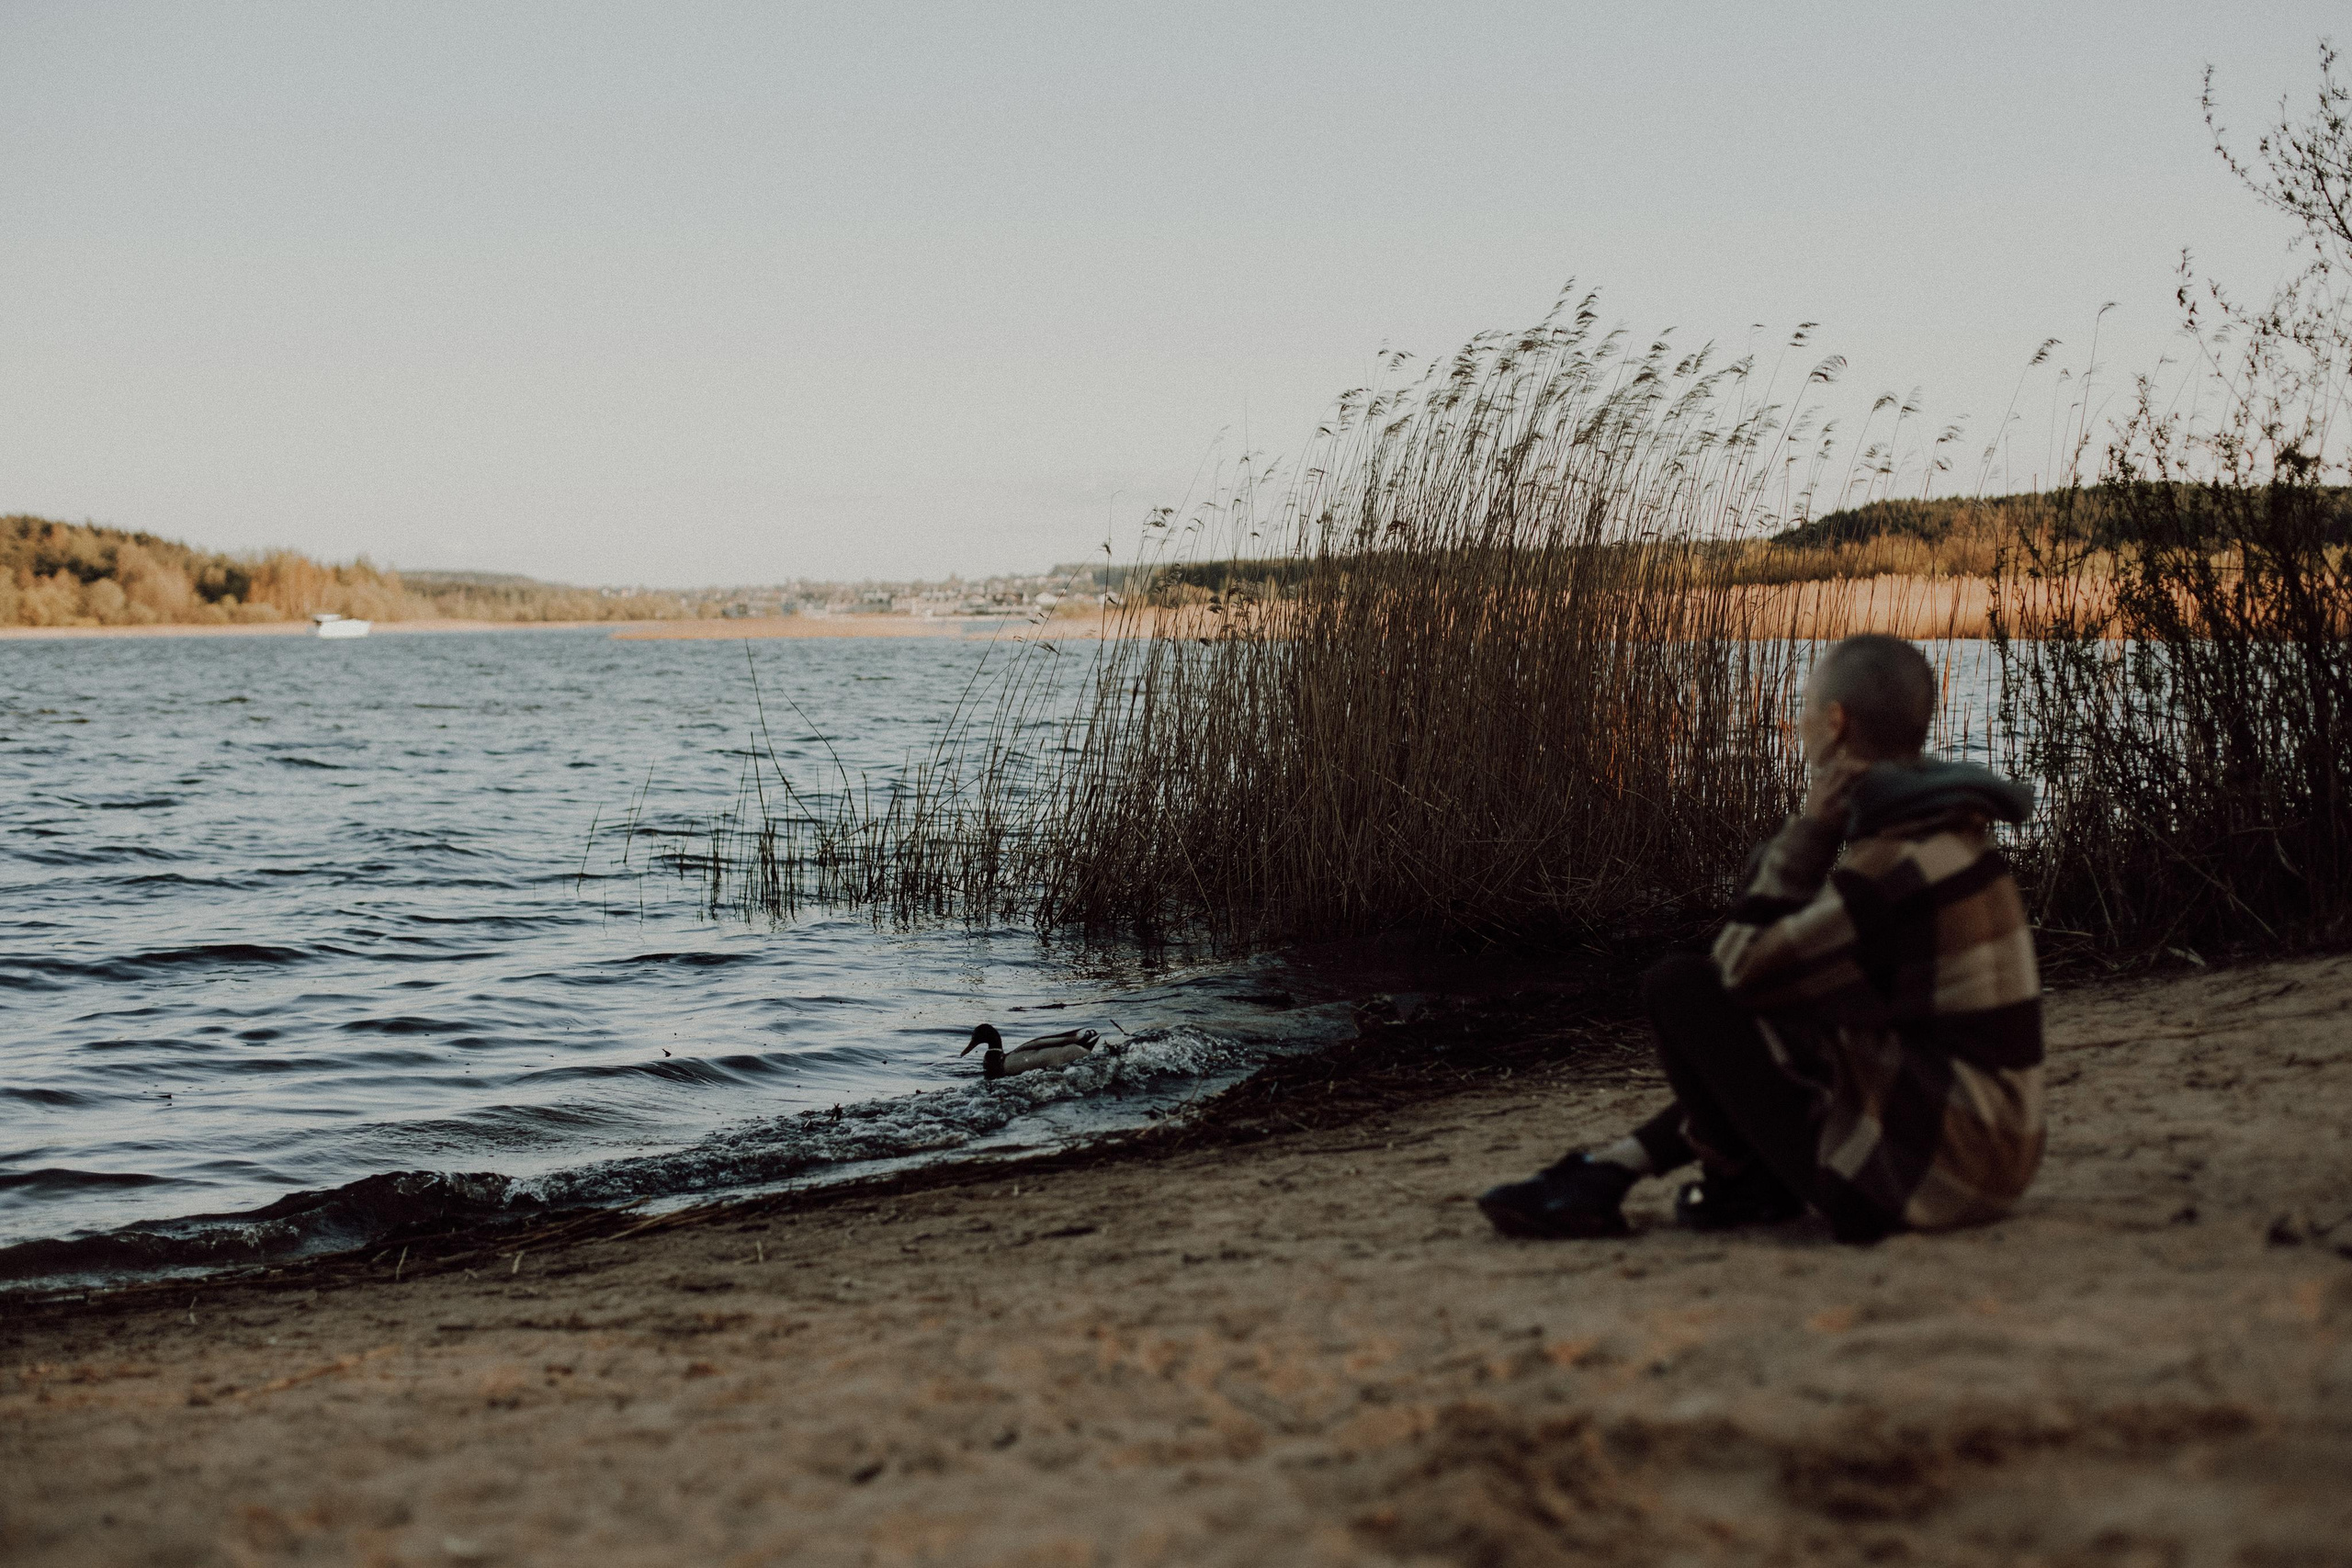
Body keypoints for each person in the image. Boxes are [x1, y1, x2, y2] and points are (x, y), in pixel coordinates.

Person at [1478, 634, 2043, 1244]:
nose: (1796, 725)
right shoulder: (1955, 836)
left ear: (1834, 723)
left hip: (1928, 1177)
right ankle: (1617, 1165)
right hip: (1996, 1158)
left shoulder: (1892, 868)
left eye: (1803, 710)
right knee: (1796, 1016)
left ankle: (1734, 1180)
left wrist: (1808, 837)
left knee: (1678, 987)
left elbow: (1735, 979)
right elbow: (1803, 1004)